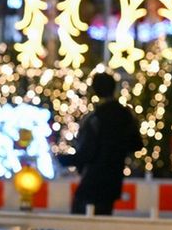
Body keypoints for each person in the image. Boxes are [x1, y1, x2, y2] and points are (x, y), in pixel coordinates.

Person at [60, 72, 143, 215]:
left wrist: (63, 159)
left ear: (95, 90)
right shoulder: (124, 115)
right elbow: (136, 144)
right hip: (114, 178)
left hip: (93, 180)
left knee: (81, 222)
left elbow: (87, 152)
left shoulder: (96, 117)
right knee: (103, 224)